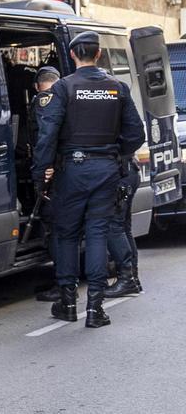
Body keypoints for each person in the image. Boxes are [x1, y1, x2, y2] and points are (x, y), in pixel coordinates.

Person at [32, 31, 144, 328]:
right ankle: (95, 308)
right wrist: (112, 153)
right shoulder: (117, 88)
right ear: (98, 54)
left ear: (72, 55)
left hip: (72, 171)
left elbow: (47, 135)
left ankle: (68, 302)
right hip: (106, 171)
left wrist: (40, 173)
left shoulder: (63, 89)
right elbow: (136, 135)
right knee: (97, 234)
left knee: (66, 235)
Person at [28, 67, 63, 303]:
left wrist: (42, 173)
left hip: (56, 173)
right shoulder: (69, 97)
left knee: (56, 229)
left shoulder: (44, 100)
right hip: (74, 170)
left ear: (37, 86)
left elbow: (45, 138)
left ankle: (63, 286)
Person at [104, 154, 142, 297]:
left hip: (120, 174)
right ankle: (132, 277)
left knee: (114, 226)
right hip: (129, 170)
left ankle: (127, 280)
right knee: (124, 228)